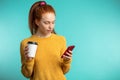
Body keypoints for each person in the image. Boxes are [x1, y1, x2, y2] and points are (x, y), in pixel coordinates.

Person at [20, 1, 72, 80]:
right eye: (46, 23)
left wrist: (67, 61)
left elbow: (64, 71)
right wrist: (29, 60)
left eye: (53, 22)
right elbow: (27, 74)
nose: (51, 27)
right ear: (37, 22)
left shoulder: (61, 40)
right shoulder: (26, 43)